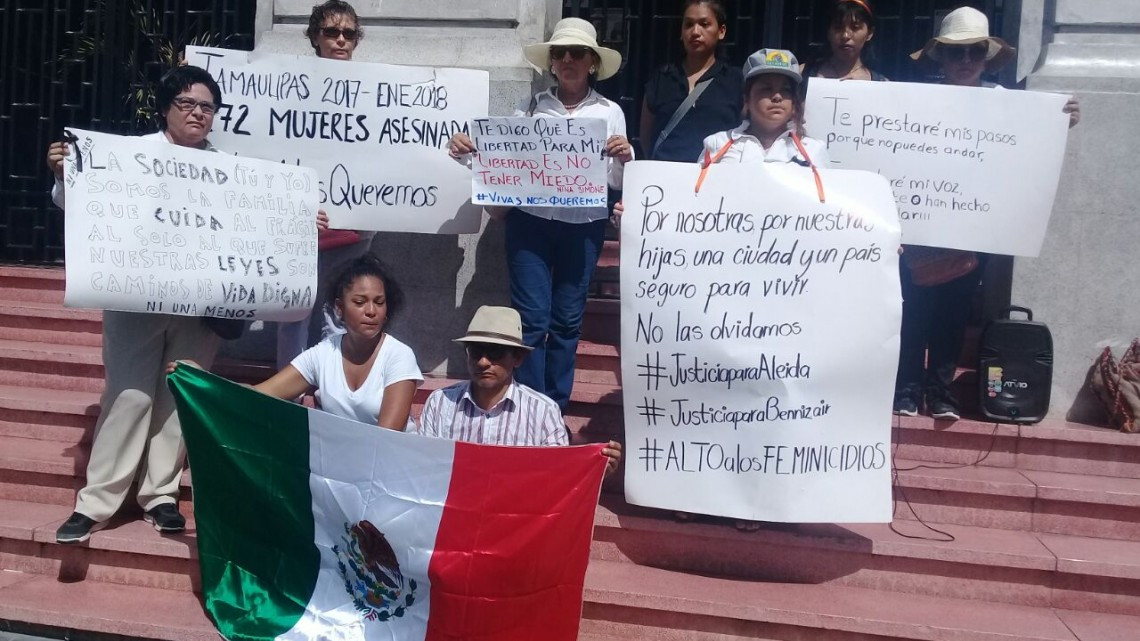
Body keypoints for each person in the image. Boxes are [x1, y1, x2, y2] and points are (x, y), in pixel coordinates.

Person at [45, 66, 325, 543]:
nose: (198, 113)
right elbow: (84, 208)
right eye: (187, 104)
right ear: (165, 108)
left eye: (207, 107)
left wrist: (300, 225)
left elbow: (257, 229)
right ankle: (97, 502)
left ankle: (161, 495)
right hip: (135, 302)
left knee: (179, 396)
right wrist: (64, 175)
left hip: (201, 309)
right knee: (129, 394)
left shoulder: (231, 170)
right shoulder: (129, 157)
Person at [895, 7, 1080, 421]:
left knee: (953, 314)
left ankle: (940, 392)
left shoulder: (1005, 106)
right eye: (955, 53)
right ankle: (906, 389)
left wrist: (1058, 125)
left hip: (970, 233)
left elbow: (1030, 147)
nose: (964, 62)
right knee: (912, 312)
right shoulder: (916, 102)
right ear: (940, 57)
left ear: (986, 56)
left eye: (973, 52)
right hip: (919, 232)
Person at [447, 18, 634, 413]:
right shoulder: (528, 108)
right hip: (530, 223)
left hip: (583, 226)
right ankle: (530, 409)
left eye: (577, 53)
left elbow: (616, 179)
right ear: (551, 62)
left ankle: (556, 409)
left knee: (567, 321)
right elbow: (501, 162)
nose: (568, 60)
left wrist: (623, 156)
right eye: (560, 53)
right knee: (531, 321)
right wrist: (468, 153)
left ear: (592, 63)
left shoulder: (611, 112)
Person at [277, 0, 376, 371]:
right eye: (331, 32)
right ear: (315, 37)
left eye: (348, 34)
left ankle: (331, 391)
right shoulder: (287, 85)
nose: (340, 40)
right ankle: (285, 396)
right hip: (300, 230)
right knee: (293, 315)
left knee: (340, 317)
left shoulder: (376, 89)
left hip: (352, 230)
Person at [415, 306, 621, 474]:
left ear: (518, 358)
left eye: (495, 352)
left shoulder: (543, 412)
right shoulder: (440, 403)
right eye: (476, 351)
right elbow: (423, 468)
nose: (483, 362)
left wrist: (595, 469)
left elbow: (557, 477)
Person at [246, 254, 422, 429]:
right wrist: (219, 392)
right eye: (360, 302)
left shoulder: (399, 356)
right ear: (339, 308)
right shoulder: (324, 353)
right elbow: (259, 394)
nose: (371, 311)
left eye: (379, 302)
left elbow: (389, 436)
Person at [639, 0, 742, 162]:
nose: (695, 31)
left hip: (716, 179)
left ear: (721, 31)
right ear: (681, 32)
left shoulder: (735, 81)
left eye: (704, 24)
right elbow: (645, 137)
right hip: (665, 179)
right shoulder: (662, 79)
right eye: (688, 25)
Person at [801, 0, 886, 83]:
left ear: (869, 33)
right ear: (828, 32)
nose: (845, 36)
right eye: (838, 27)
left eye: (855, 28)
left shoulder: (882, 84)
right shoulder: (802, 73)